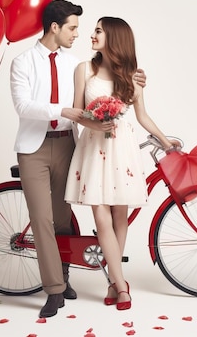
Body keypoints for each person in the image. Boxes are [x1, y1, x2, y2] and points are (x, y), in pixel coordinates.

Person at [9, 0, 146, 318]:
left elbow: (110, 76)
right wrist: (63, 111)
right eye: (72, 28)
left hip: (70, 145)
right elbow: (23, 105)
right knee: (42, 219)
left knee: (62, 219)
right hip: (34, 146)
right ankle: (54, 290)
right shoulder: (23, 62)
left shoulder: (76, 64)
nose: (77, 34)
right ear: (54, 27)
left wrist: (137, 80)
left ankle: (69, 277)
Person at [64, 16, 179, 311]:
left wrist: (166, 141)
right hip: (93, 149)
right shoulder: (84, 70)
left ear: (114, 38)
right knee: (101, 217)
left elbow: (142, 116)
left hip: (122, 150)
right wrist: (93, 121)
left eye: (98, 31)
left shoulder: (133, 77)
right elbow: (76, 112)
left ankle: (113, 282)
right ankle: (121, 285)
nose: (92, 35)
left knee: (119, 217)